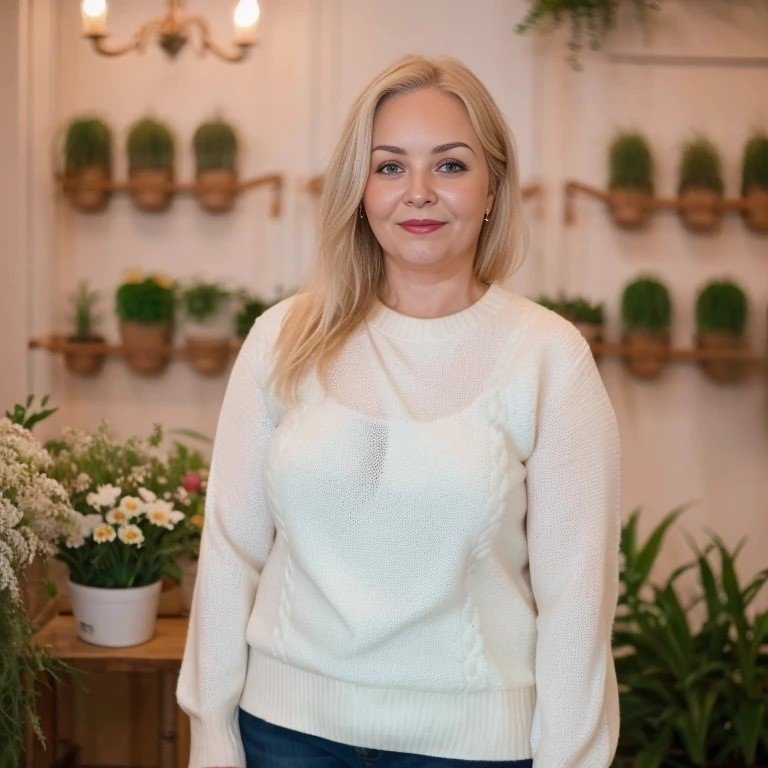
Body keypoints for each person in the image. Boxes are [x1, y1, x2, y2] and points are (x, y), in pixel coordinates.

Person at [176, 53, 622, 768]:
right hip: (282, 734)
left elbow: (578, 598)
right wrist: (211, 733)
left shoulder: (548, 357)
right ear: (360, 189)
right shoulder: (283, 337)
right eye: (389, 167)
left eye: (450, 165)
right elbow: (231, 550)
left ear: (492, 187)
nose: (418, 192)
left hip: (472, 750)